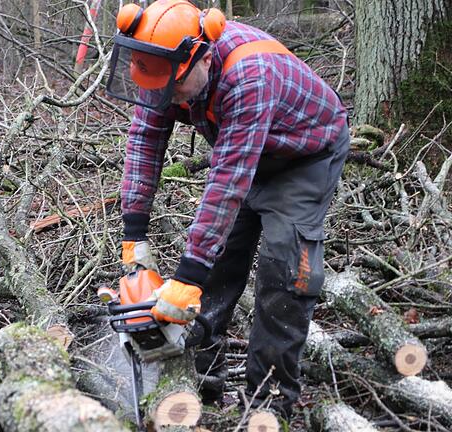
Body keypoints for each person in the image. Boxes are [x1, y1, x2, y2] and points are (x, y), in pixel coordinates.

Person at [108, 0, 349, 418]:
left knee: (284, 269)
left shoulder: (249, 75)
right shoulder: (162, 63)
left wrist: (186, 276)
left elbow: (228, 181)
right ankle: (200, 382)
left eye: (173, 88)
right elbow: (144, 143)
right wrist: (135, 233)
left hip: (305, 155)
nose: (165, 97)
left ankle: (269, 405)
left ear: (200, 57)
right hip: (247, 149)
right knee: (216, 267)